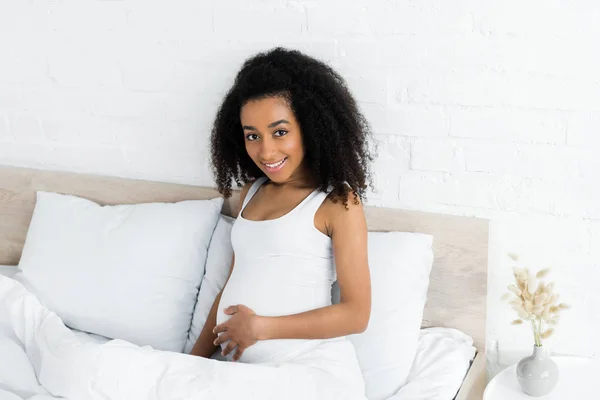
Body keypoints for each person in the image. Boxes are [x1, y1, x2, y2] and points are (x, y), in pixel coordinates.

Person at [190, 47, 374, 395]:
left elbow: (356, 314)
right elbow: (234, 281)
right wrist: (191, 363)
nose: (266, 152)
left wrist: (260, 328)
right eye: (253, 136)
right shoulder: (252, 191)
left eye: (279, 132)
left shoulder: (337, 201)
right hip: (242, 373)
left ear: (310, 127)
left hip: (307, 369)